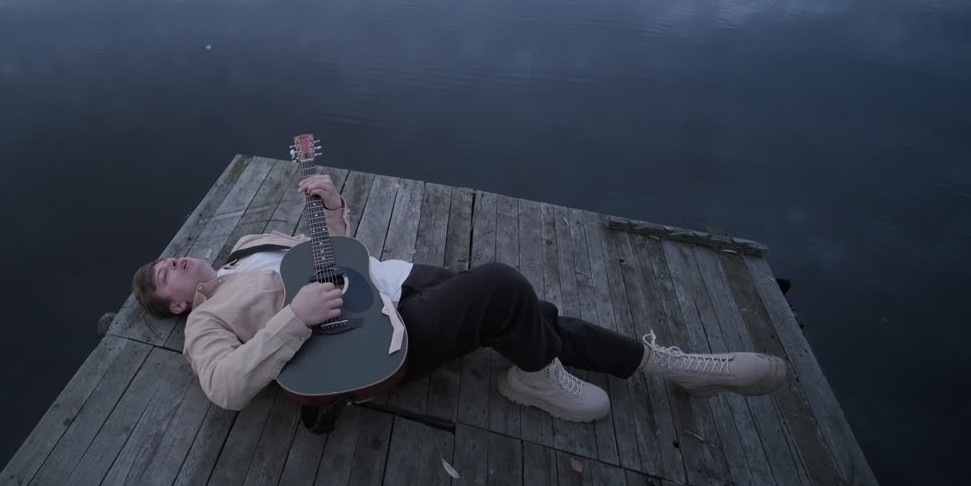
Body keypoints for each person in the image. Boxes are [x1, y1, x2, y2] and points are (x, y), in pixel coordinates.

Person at [132, 174, 787, 418]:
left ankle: (665, 365)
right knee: (503, 286)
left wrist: (334, 207)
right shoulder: (206, 326)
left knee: (529, 313)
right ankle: (540, 378)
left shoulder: (248, 243)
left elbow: (335, 261)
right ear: (180, 305)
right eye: (168, 275)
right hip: (373, 343)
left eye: (170, 258)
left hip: (393, 280)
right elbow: (223, 387)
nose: (178, 260)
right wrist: (292, 322)